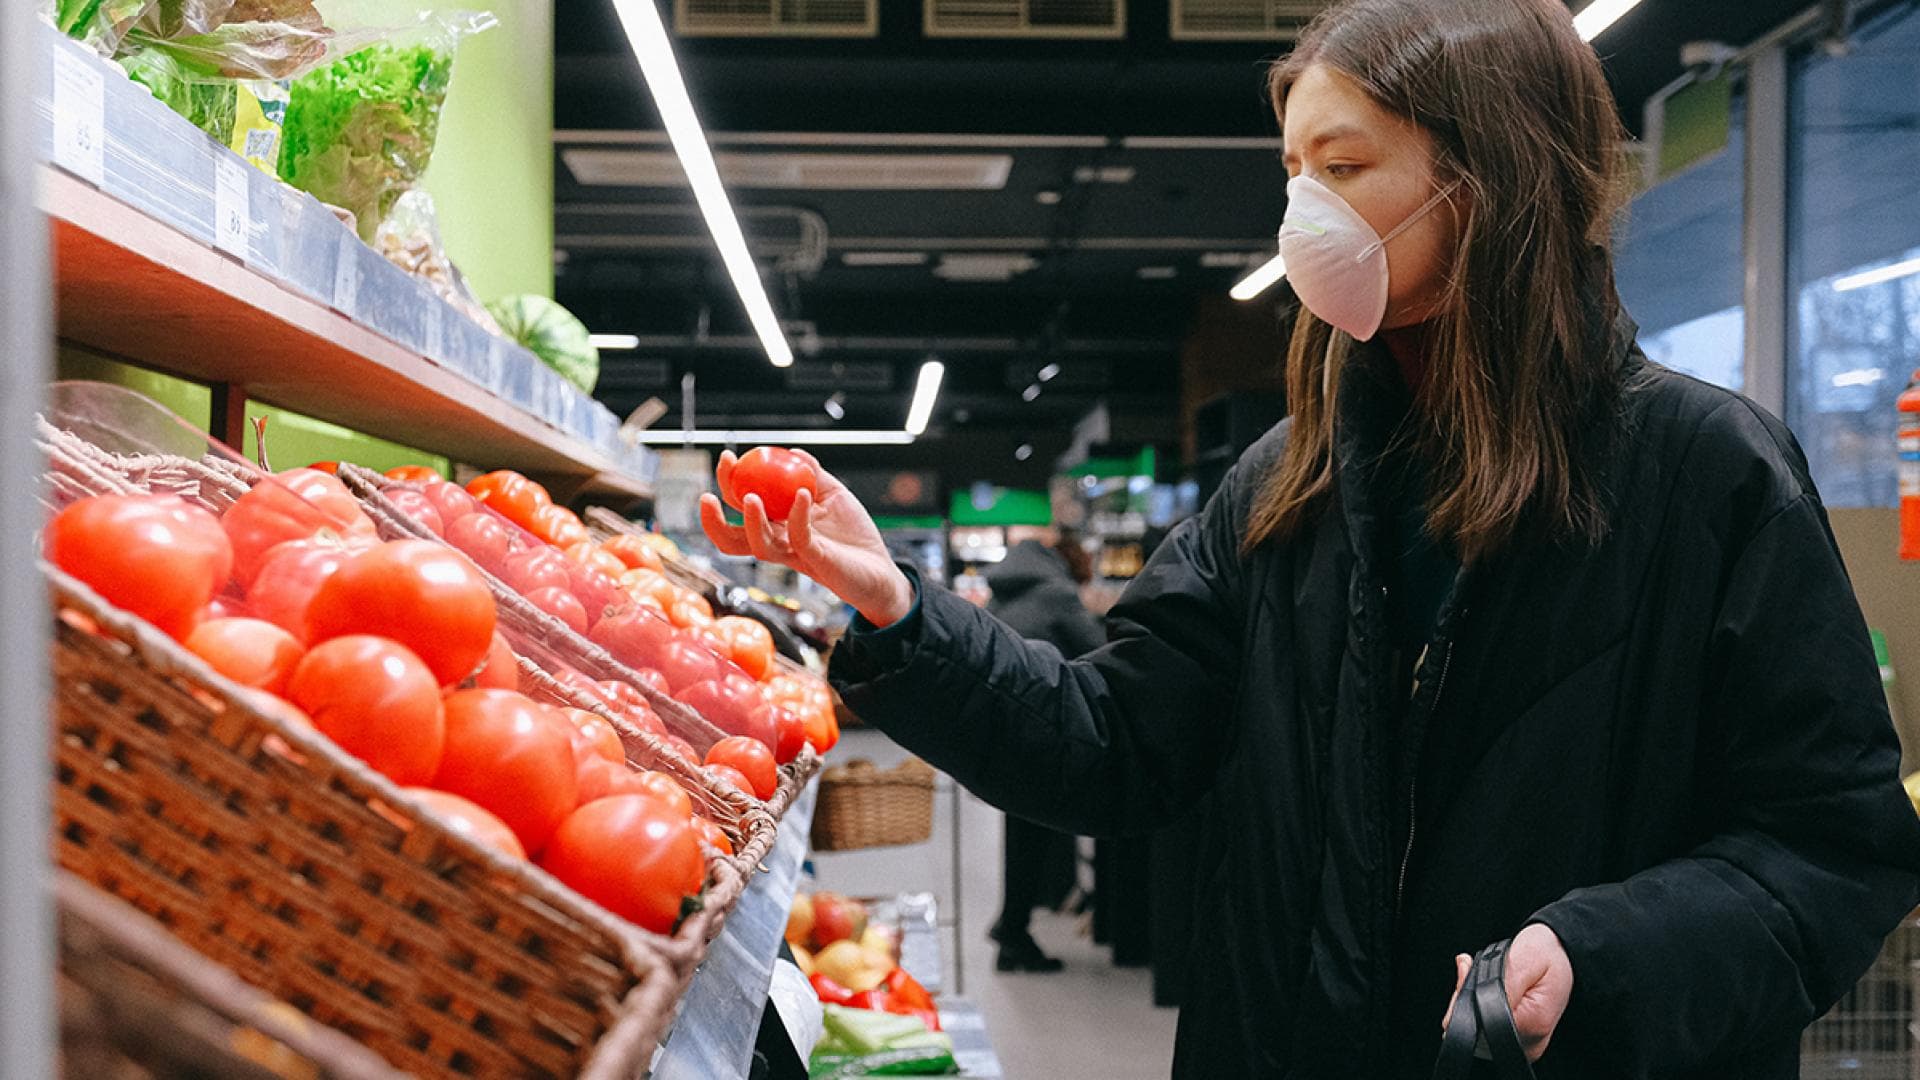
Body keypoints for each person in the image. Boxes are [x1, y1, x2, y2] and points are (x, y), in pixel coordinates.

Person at [699, 0, 1920, 1074]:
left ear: (1486, 180)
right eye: (1293, 169)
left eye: (1343, 165)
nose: (1301, 213)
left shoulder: (1706, 477)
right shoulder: (1285, 487)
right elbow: (1114, 743)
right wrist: (901, 617)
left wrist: (1601, 954)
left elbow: (1832, 847)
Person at [981, 526, 1104, 972]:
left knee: (1024, 833)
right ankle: (1014, 930)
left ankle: (1014, 928)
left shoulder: (1005, 592)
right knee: (1035, 833)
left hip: (1002, 730)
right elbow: (1099, 653)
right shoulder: (1057, 595)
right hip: (1040, 731)